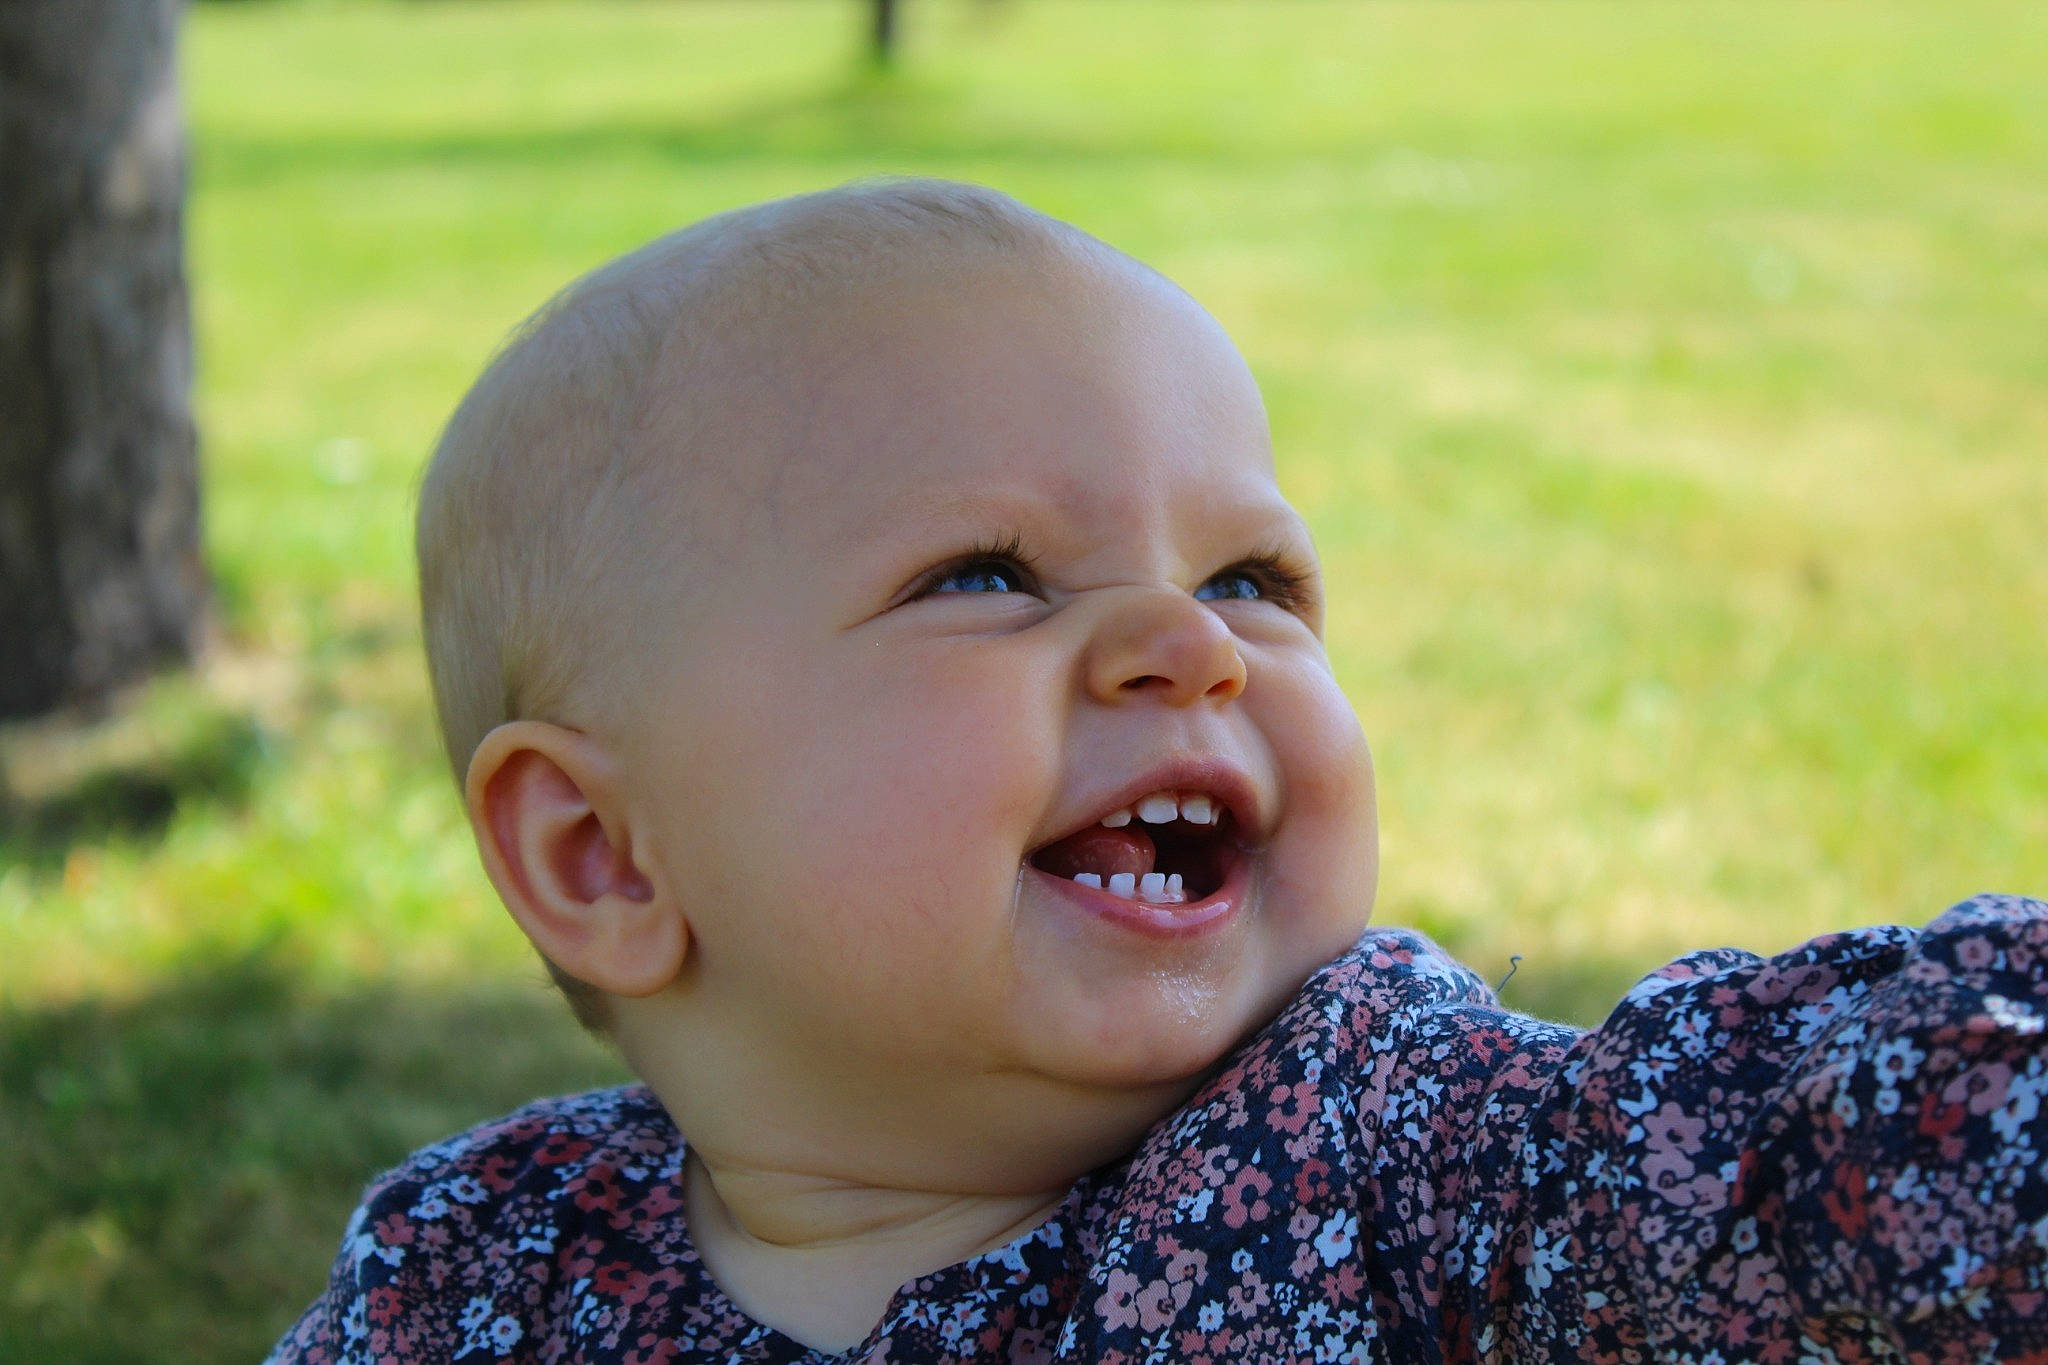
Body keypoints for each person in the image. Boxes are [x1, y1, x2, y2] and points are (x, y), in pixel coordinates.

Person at [266, 178, 2048, 1364]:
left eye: (1252, 580)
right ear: (605, 856)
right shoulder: (469, 1270)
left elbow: (1779, 1147)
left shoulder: (1385, 1150)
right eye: (986, 577)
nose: (1188, 643)